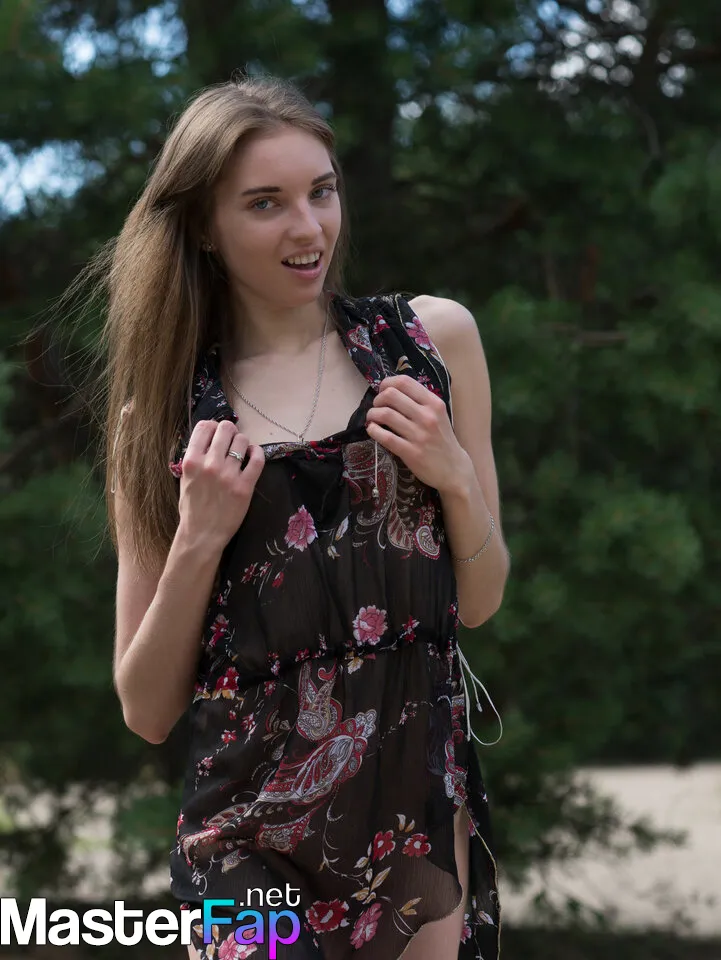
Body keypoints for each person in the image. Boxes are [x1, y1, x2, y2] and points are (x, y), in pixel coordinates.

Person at [108, 75, 510, 960]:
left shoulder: (430, 345)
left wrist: (451, 476)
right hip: (243, 838)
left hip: (411, 816)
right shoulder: (164, 419)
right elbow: (145, 707)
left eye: (320, 192)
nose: (308, 227)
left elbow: (479, 600)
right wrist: (199, 538)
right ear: (204, 226)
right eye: (265, 203)